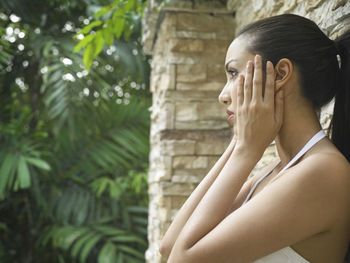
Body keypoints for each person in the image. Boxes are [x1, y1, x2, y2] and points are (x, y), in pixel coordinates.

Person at [159, 14, 350, 263]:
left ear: (280, 74)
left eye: (233, 73)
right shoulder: (270, 174)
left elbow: (182, 260)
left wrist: (246, 151)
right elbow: (168, 247)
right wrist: (239, 143)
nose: (223, 95)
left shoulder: (323, 172)